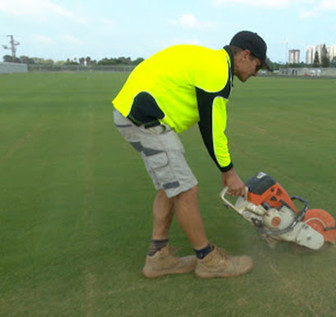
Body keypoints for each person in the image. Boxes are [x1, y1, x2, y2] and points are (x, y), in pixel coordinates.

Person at [113, 30, 271, 279]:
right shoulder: (218, 71)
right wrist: (229, 172)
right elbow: (212, 129)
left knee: (171, 186)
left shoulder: (212, 62)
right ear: (244, 55)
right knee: (186, 189)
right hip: (144, 117)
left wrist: (225, 169)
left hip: (135, 114)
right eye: (257, 66)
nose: (255, 72)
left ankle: (158, 257)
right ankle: (208, 260)